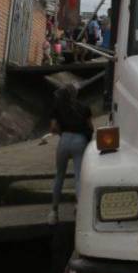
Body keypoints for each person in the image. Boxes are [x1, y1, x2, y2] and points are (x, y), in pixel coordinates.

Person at [48, 84, 93, 225]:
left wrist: (62, 133)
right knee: (79, 176)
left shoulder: (58, 108)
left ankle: (53, 213)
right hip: (79, 141)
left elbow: (53, 128)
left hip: (64, 139)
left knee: (59, 175)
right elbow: (91, 127)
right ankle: (79, 207)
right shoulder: (85, 108)